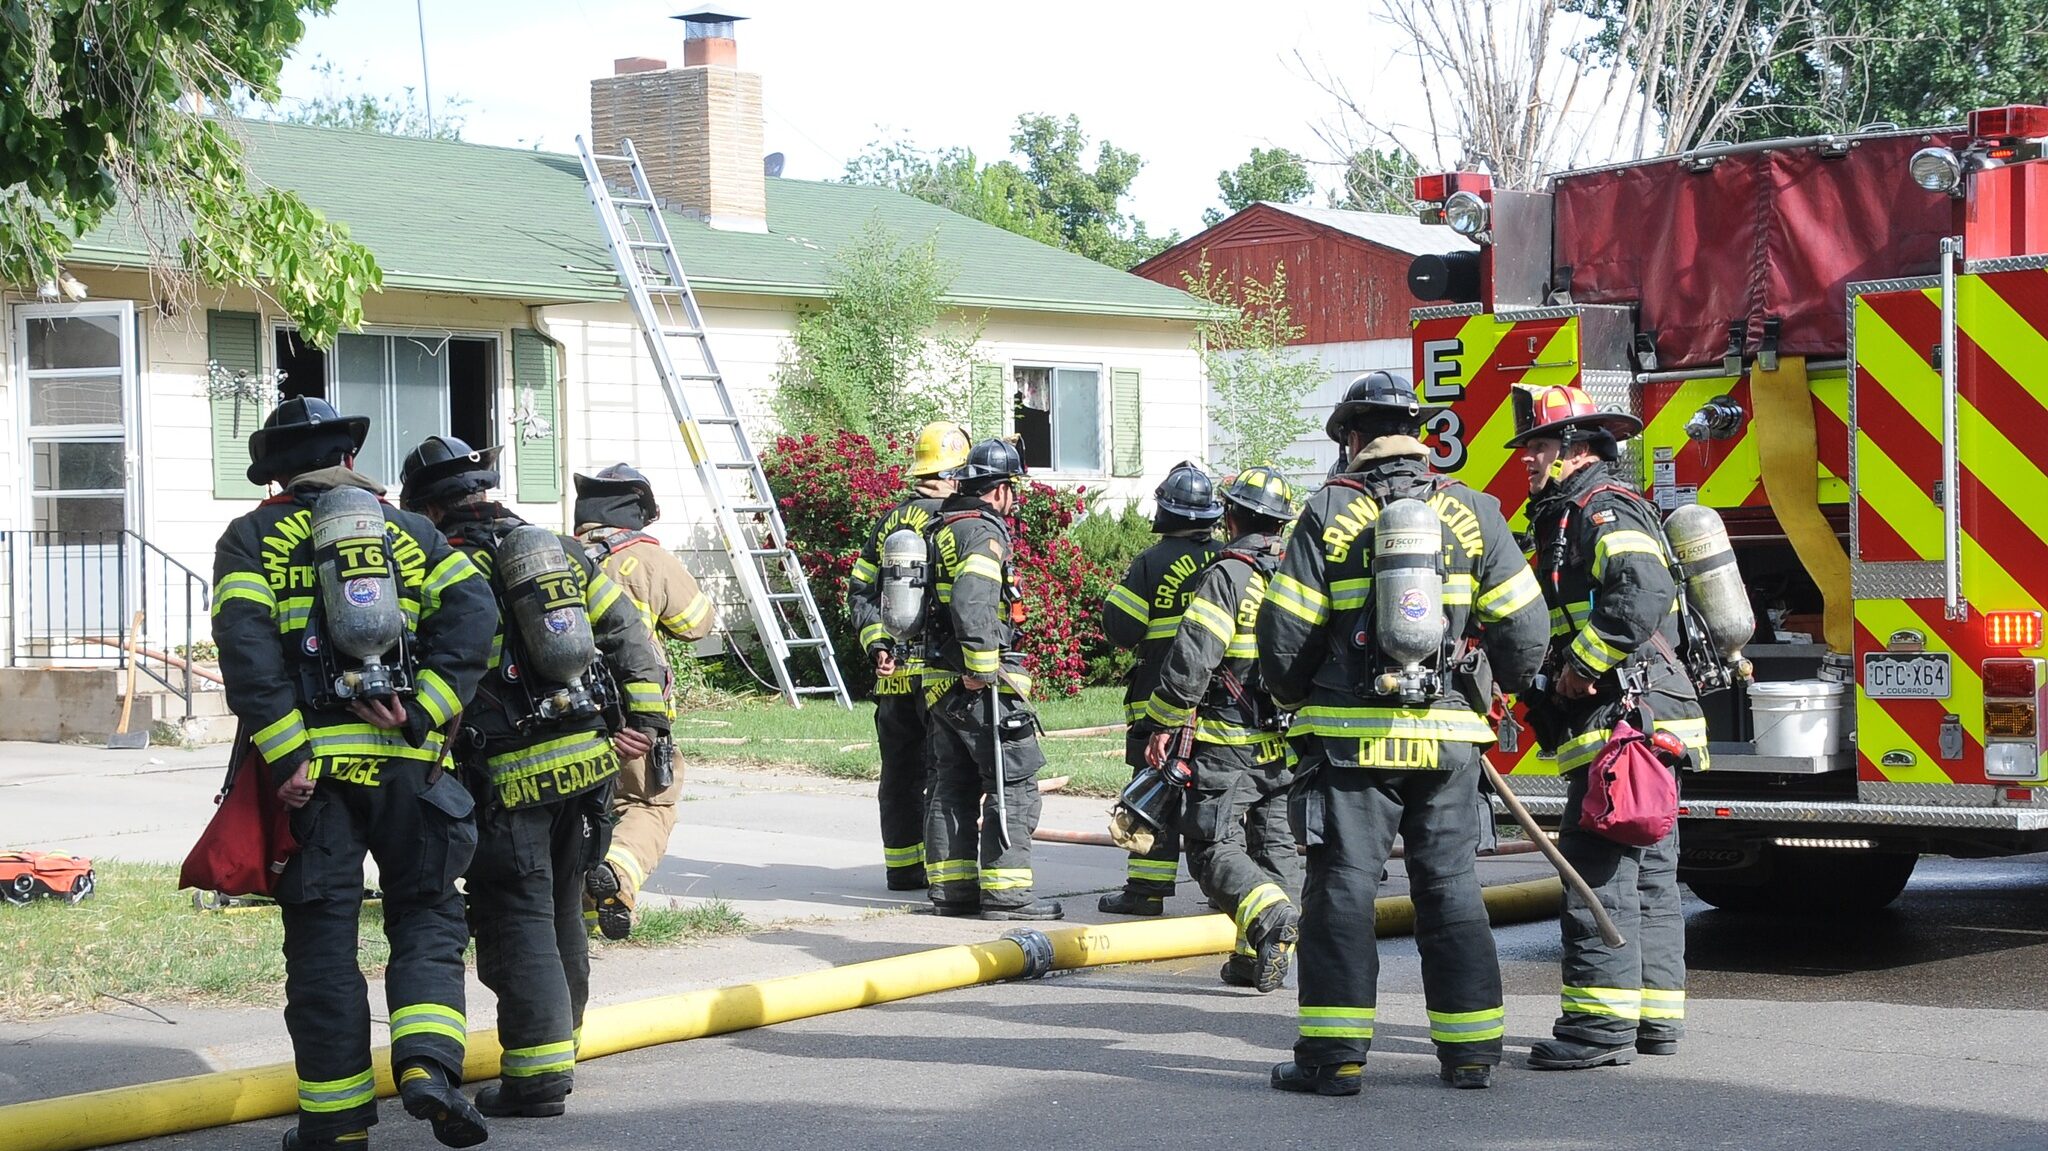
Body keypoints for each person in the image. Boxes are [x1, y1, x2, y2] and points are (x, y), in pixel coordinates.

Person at [213, 398, 496, 1150]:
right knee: (427, 915)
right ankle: (428, 1068)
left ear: (275, 475)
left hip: (318, 780)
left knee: (322, 942)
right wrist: (424, 710)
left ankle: (336, 1124)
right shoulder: (412, 532)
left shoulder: (250, 538)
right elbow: (474, 616)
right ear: (349, 460)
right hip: (412, 770)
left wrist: (288, 754)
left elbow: (247, 655)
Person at [1257, 371, 1548, 1096]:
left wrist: (1297, 696)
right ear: (1418, 438)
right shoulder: (1476, 511)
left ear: (1352, 438)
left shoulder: (1328, 511)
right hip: (1449, 743)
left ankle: (1333, 1058)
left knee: (1343, 893)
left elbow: (1285, 639)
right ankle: (1472, 1054)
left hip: (1350, 745)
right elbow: (1526, 631)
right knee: (1451, 890)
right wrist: (1495, 688)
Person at [399, 435, 671, 1120]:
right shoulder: (558, 551)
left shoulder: (438, 563)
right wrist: (645, 719)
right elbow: (628, 635)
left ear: (428, 506)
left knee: (516, 915)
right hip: (588, 766)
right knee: (563, 909)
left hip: (508, 775)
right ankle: (563, 1044)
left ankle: (538, 1077)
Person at [1508, 384, 1706, 1071]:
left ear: (1575, 448)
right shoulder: (1569, 514)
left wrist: (1580, 667)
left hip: (1626, 721)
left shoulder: (1600, 507)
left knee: (1597, 876)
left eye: (1538, 445)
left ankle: (1598, 1028)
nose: (1527, 458)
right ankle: (1654, 1020)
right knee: (1648, 877)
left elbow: (1642, 590)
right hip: (1648, 719)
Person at [1143, 466, 1300, 989]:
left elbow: (1195, 655)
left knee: (1211, 847)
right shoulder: (1296, 574)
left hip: (1227, 742)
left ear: (1231, 516)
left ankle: (1269, 919)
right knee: (1273, 847)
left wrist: (1163, 721)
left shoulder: (1228, 575)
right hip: (1285, 744)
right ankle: (1256, 956)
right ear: (1280, 524)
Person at [573, 462, 716, 939]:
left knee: (578, 813)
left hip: (565, 718)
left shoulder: (557, 557)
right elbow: (696, 624)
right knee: (650, 804)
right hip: (635, 717)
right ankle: (618, 871)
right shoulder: (647, 558)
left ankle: (587, 914)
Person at [922, 438, 1062, 921]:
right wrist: (981, 670)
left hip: (939, 681)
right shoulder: (983, 533)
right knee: (1014, 781)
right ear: (999, 490)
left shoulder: (941, 528)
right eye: (1012, 489)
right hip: (977, 682)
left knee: (953, 783)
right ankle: (1008, 895)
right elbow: (972, 600)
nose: (1014, 498)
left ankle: (953, 890)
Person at [846, 421, 971, 891]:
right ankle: (946, 876)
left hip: (893, 674)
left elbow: (860, 592)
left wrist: (879, 645)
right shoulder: (958, 523)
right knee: (945, 773)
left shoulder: (890, 524)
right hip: (941, 674)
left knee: (899, 774)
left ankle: (902, 869)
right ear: (955, 473)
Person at [1097, 461, 1223, 916]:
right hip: (1224, 704)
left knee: (1155, 793)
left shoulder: (1151, 562)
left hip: (1161, 701)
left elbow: (1121, 627)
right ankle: (1225, 891)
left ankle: (1145, 892)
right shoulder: (1232, 561)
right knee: (1218, 799)